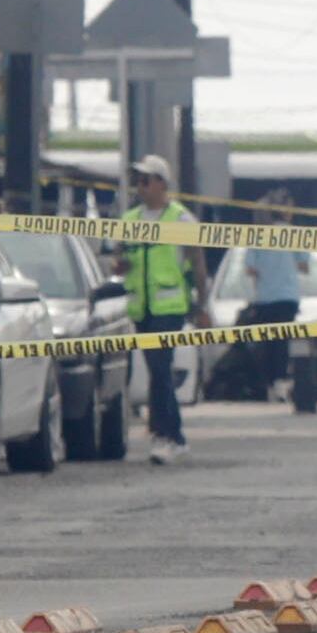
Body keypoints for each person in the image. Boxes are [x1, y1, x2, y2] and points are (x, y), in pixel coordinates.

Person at [119, 154, 211, 464]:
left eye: (146, 180)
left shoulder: (181, 219)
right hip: (142, 309)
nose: (141, 186)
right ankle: (174, 436)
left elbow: (198, 262)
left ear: (162, 183)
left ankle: (165, 436)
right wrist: (120, 265)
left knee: (160, 370)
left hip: (170, 307)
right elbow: (120, 258)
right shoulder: (129, 220)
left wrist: (202, 305)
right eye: (138, 180)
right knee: (157, 371)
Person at [236, 192, 309, 406]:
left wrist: (266, 269)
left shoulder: (259, 235)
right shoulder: (295, 234)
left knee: (267, 342)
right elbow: (304, 265)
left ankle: (269, 384)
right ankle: (281, 382)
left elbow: (250, 269)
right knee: (282, 341)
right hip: (287, 296)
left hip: (265, 297)